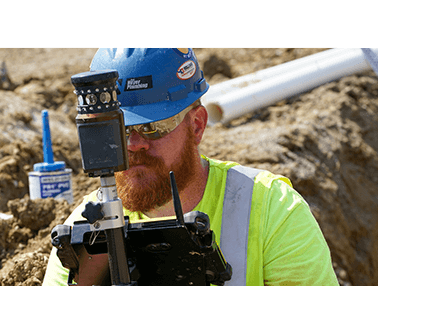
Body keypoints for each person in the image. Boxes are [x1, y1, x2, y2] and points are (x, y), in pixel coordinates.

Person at [42, 48, 339, 286]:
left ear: (196, 125)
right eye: (118, 130)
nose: (133, 145)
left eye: (151, 127)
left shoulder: (273, 212)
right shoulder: (85, 232)